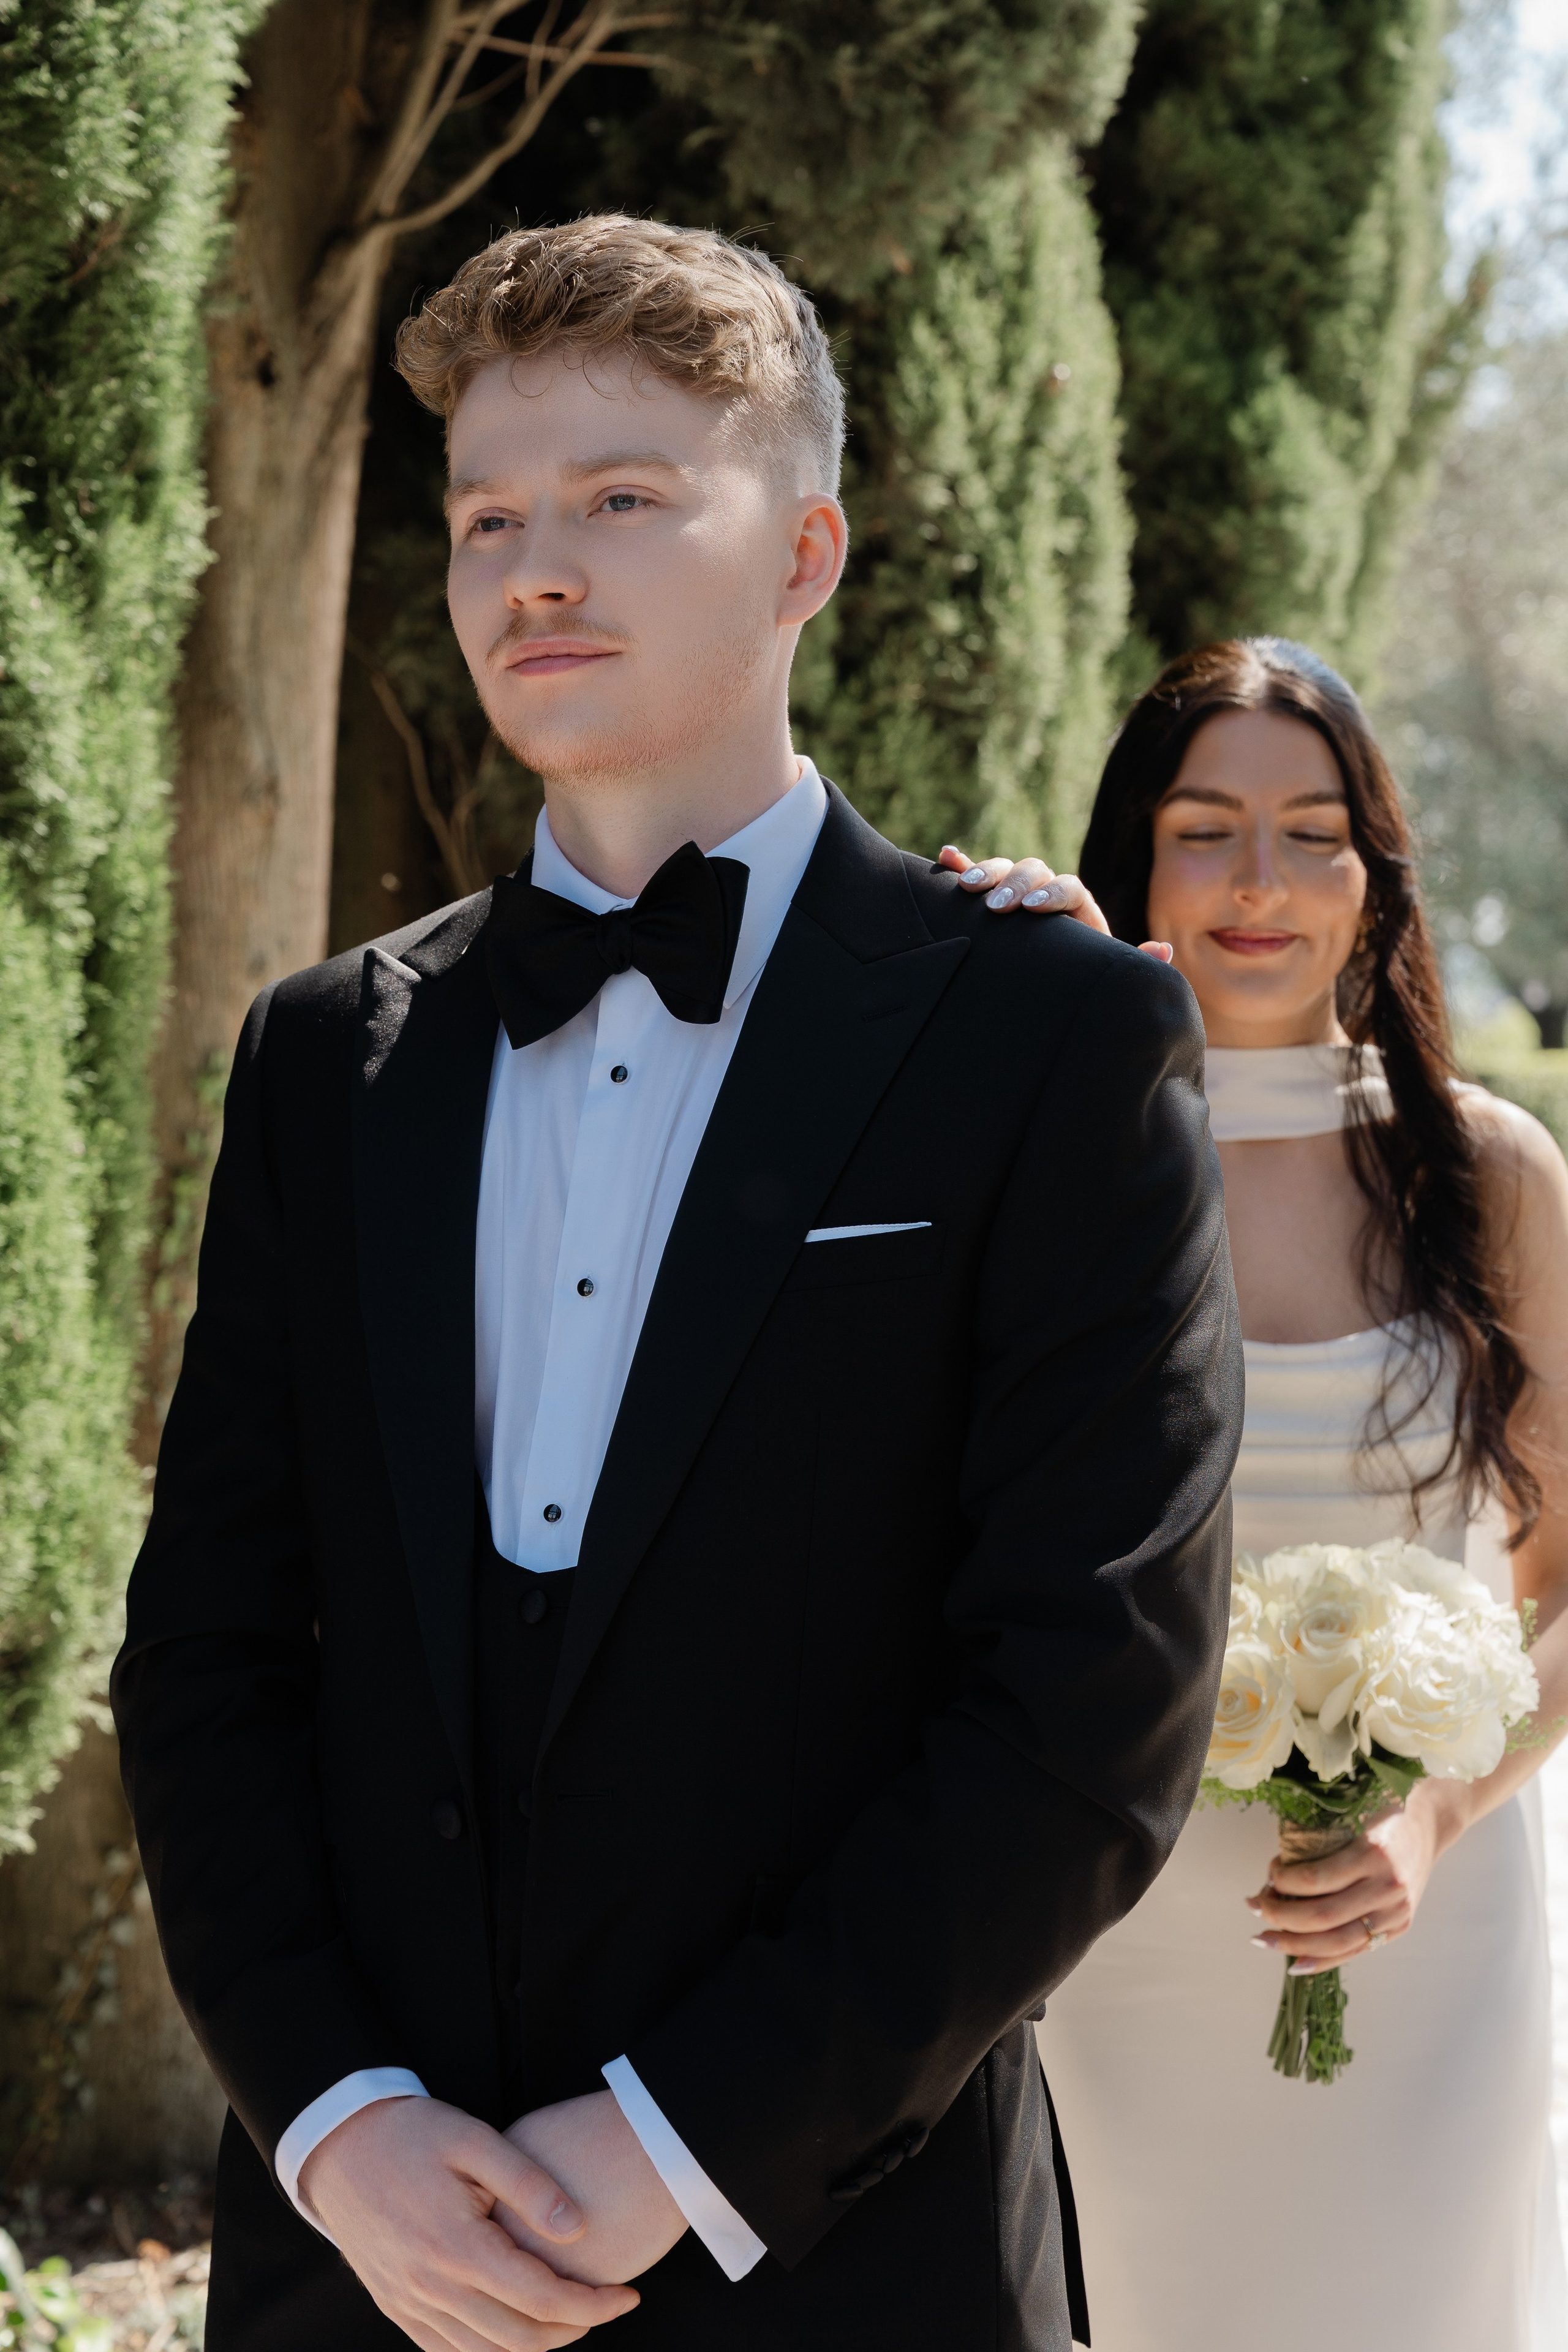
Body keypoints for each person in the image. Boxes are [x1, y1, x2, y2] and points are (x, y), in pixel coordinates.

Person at [110, 217, 1242, 2352]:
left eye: (626, 499)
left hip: (840, 2248)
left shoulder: (1050, 1037)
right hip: (368, 2263)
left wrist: (690, 2140)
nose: (535, 565)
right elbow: (209, 1659)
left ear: (806, 553)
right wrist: (340, 2122)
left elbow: (1091, 1706)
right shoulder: (324, 1056)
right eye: (488, 516)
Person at [951, 635, 1568, 2351]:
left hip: (1426, 1939)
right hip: (1118, 1934)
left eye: (1313, 834)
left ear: (1376, 881)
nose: (1259, 883)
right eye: (1205, 828)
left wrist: (1430, 1820)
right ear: (1133, 857)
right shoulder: (1053, 1154)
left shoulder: (1486, 1174)